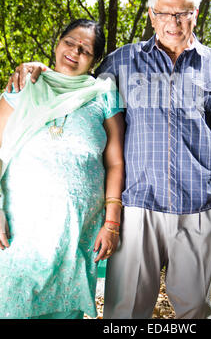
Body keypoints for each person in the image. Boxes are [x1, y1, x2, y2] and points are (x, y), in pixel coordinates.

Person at [7, 0, 211, 319]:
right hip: (137, 209)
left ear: (196, 13)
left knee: (196, 309)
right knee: (124, 313)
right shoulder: (121, 61)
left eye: (183, 12)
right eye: (165, 12)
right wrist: (39, 70)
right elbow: (77, 90)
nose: (174, 21)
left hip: (202, 209)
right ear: (152, 13)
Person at [0, 19, 124, 319]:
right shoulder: (24, 85)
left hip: (77, 234)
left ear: (94, 60)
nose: (75, 51)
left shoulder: (102, 94)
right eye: (70, 42)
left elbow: (116, 162)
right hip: (20, 231)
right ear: (58, 43)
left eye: (86, 49)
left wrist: (112, 224)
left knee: (64, 311)